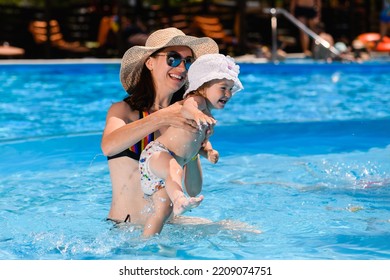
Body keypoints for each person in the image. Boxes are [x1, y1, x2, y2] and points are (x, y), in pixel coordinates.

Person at [101, 28, 218, 229]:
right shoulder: (124, 111)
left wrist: (194, 148)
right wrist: (162, 117)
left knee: (244, 232)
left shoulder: (186, 117)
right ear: (150, 62)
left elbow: (193, 189)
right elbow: (109, 146)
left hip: (169, 225)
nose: (182, 67)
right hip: (126, 229)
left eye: (188, 61)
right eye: (173, 58)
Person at [139, 53, 243, 236]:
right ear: (203, 86)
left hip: (169, 169)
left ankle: (144, 244)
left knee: (163, 210)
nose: (227, 94)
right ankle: (179, 199)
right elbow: (188, 107)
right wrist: (197, 115)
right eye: (223, 88)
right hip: (157, 154)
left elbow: (198, 143)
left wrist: (208, 151)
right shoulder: (196, 100)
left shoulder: (207, 113)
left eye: (230, 89)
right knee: (175, 172)